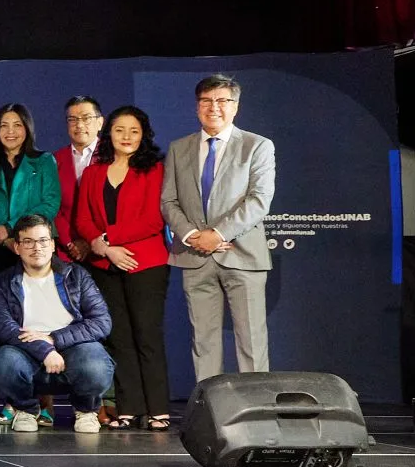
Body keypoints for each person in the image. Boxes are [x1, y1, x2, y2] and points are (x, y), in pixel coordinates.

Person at [161, 74, 275, 381]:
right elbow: (169, 201)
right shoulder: (179, 148)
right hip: (194, 255)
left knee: (251, 341)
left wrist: (218, 234)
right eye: (206, 101)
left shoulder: (257, 146)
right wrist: (193, 236)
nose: (214, 107)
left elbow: (259, 201)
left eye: (222, 101)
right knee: (204, 341)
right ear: (197, 107)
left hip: (243, 255)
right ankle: (210, 409)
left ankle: (256, 408)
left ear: (235, 107)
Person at [76, 106, 173, 431]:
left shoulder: (154, 170)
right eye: (120, 130)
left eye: (134, 130)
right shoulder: (93, 171)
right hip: (104, 265)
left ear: (143, 134)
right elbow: (82, 218)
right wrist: (102, 246)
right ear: (109, 134)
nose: (127, 137)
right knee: (119, 338)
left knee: (147, 336)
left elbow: (153, 219)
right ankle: (128, 408)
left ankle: (158, 409)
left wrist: (110, 240)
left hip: (145, 263)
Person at [0, 214, 115, 433]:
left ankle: (86, 410)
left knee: (96, 364)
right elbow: (2, 327)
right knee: (4, 361)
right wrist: (45, 349)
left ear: (53, 245)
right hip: (25, 349)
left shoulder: (76, 276)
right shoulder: (1, 282)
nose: (36, 248)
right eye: (28, 242)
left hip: (73, 347)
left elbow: (101, 322)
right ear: (17, 247)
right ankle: (25, 409)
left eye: (43, 241)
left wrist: (54, 338)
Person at [0, 103, 59, 276]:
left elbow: (50, 204)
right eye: (4, 125)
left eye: (17, 125)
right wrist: (0, 237)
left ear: (27, 128)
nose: (10, 131)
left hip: (34, 247)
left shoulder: (44, 161)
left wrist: (9, 228)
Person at [54, 95, 105, 263]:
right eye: (73, 119)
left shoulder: (113, 156)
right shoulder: (55, 160)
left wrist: (90, 242)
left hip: (105, 249)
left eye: (86, 118)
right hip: (67, 251)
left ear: (100, 122)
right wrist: (69, 243)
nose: (79, 125)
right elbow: (53, 207)